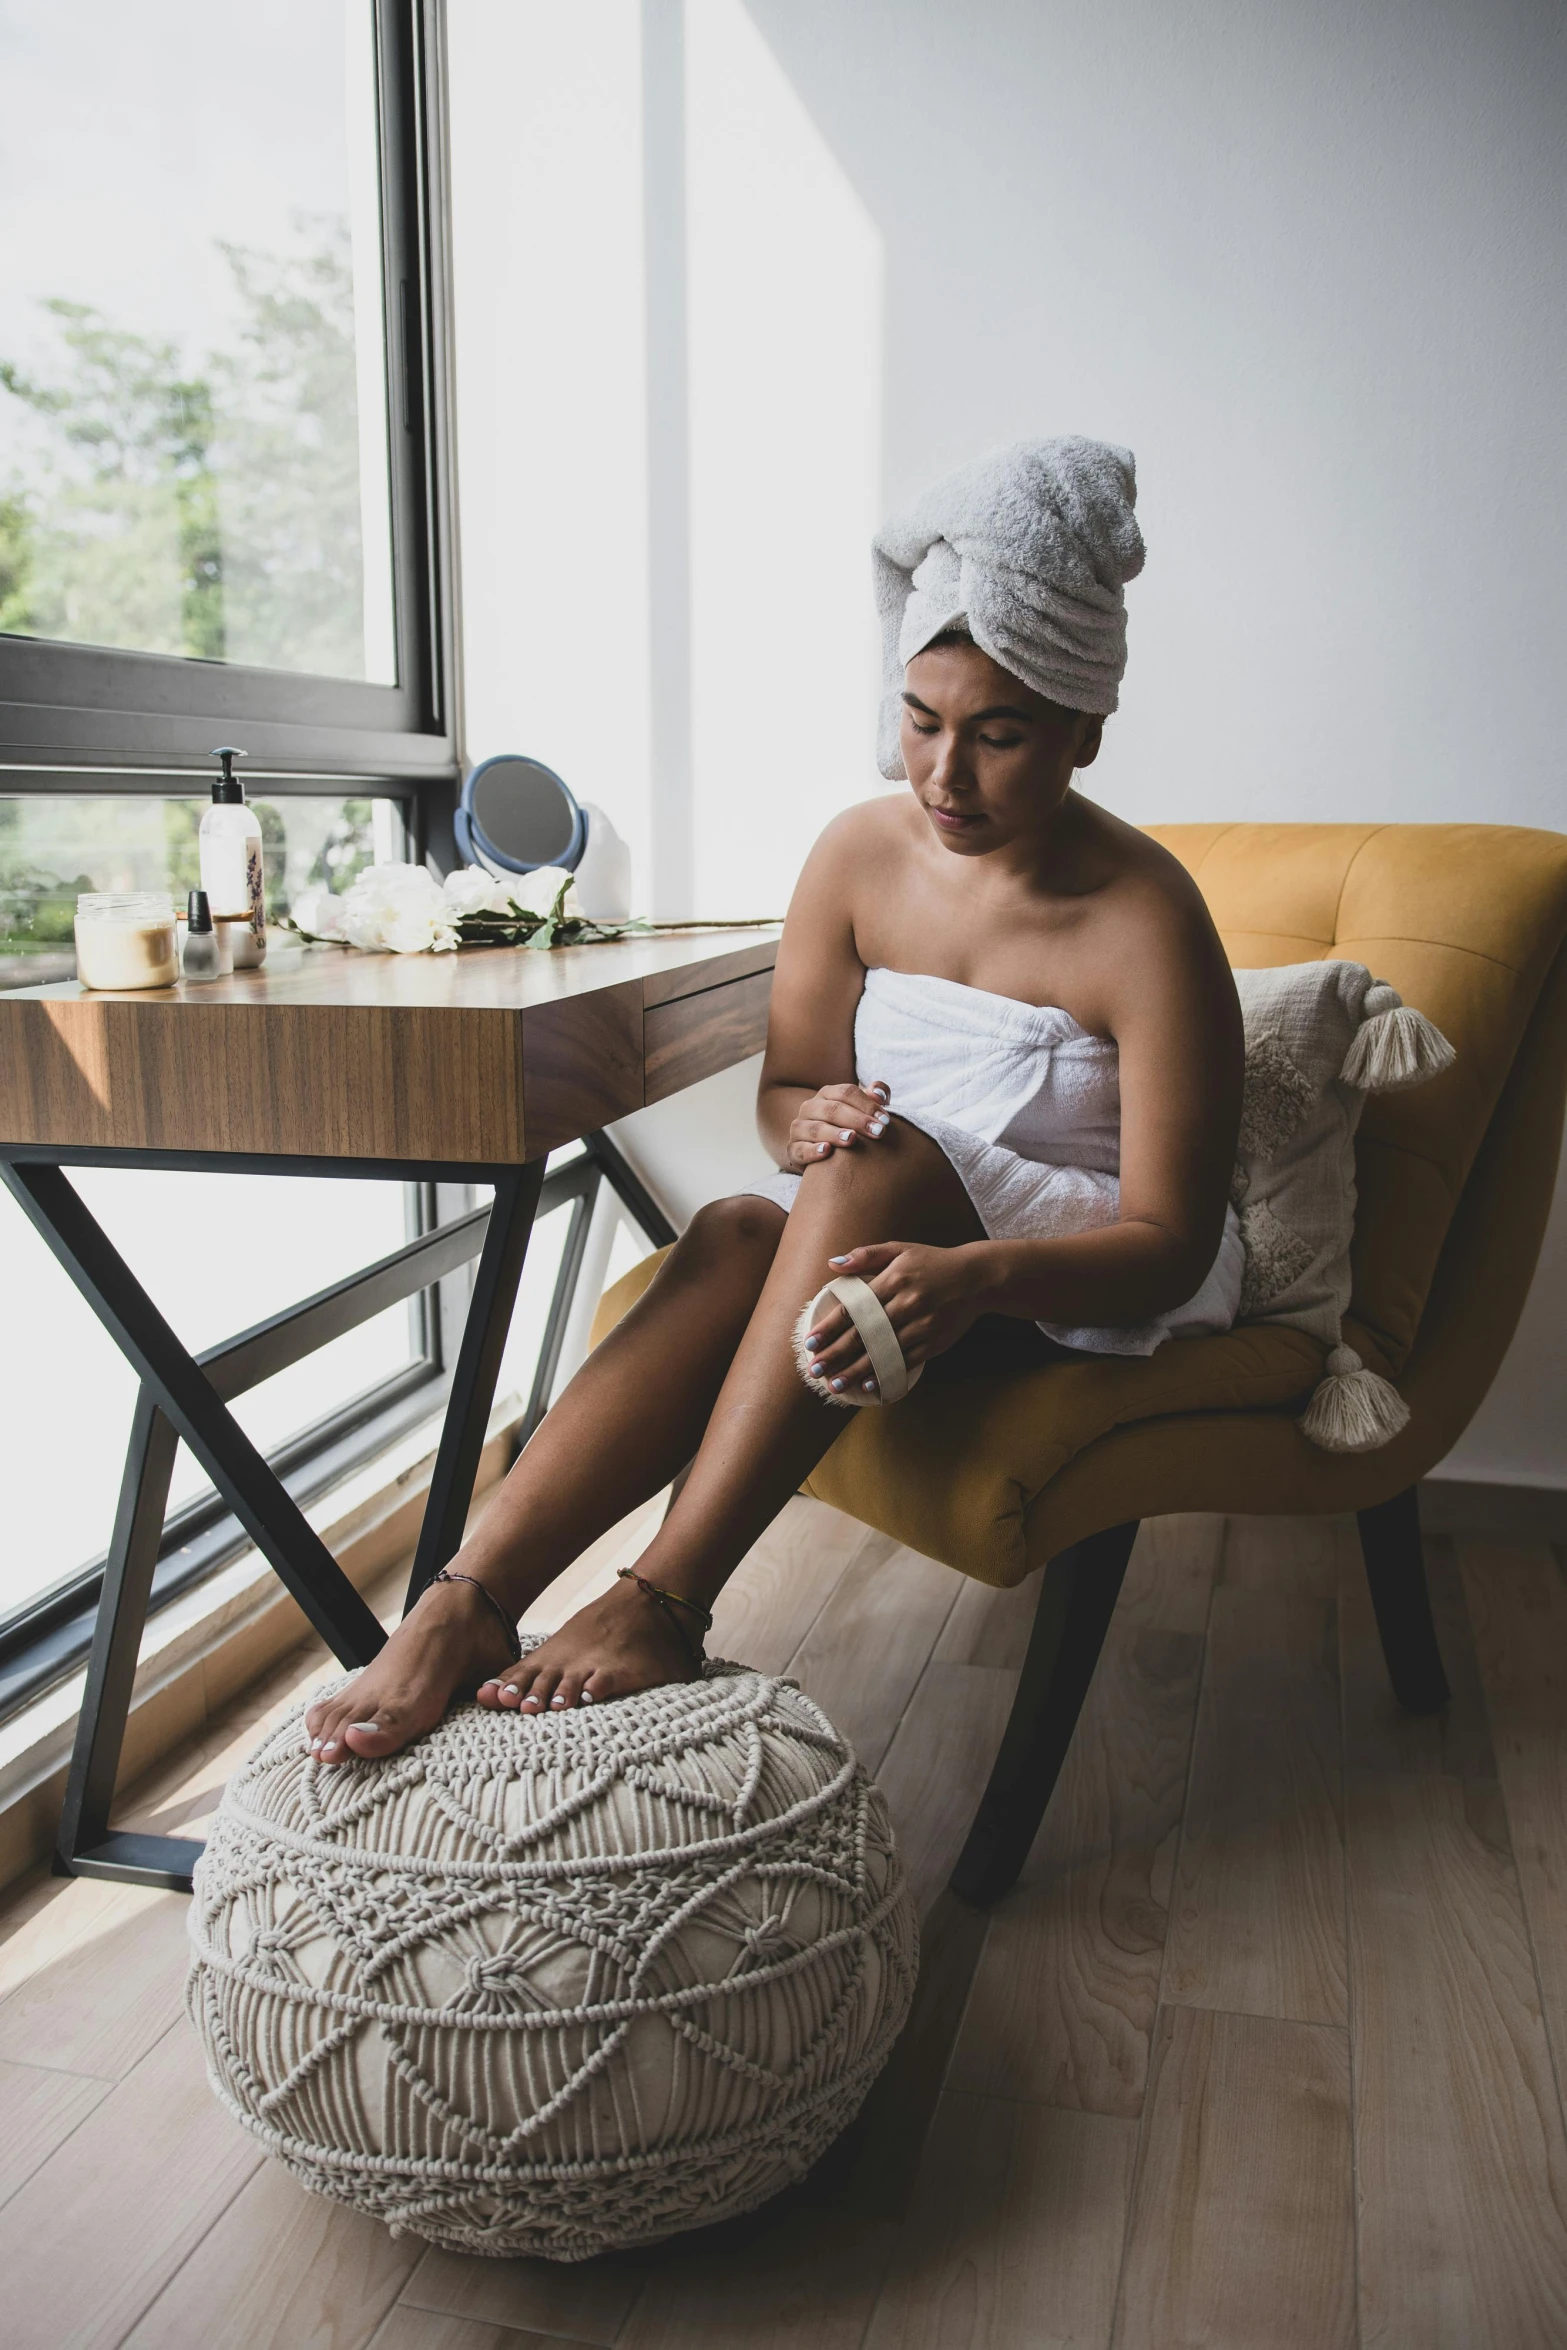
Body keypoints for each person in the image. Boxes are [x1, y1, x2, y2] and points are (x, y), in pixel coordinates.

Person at [304, 436, 1243, 1764]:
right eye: (921, 722)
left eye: (999, 736)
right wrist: (799, 1120)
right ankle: (465, 1603)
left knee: (870, 1162)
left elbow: (1175, 1243)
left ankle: (662, 1597)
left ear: (1086, 726)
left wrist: (975, 1274)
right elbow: (788, 1093)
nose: (941, 778)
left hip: (1070, 1287)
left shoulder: (1147, 920)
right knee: (749, 1222)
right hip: (868, 1243)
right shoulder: (857, 854)